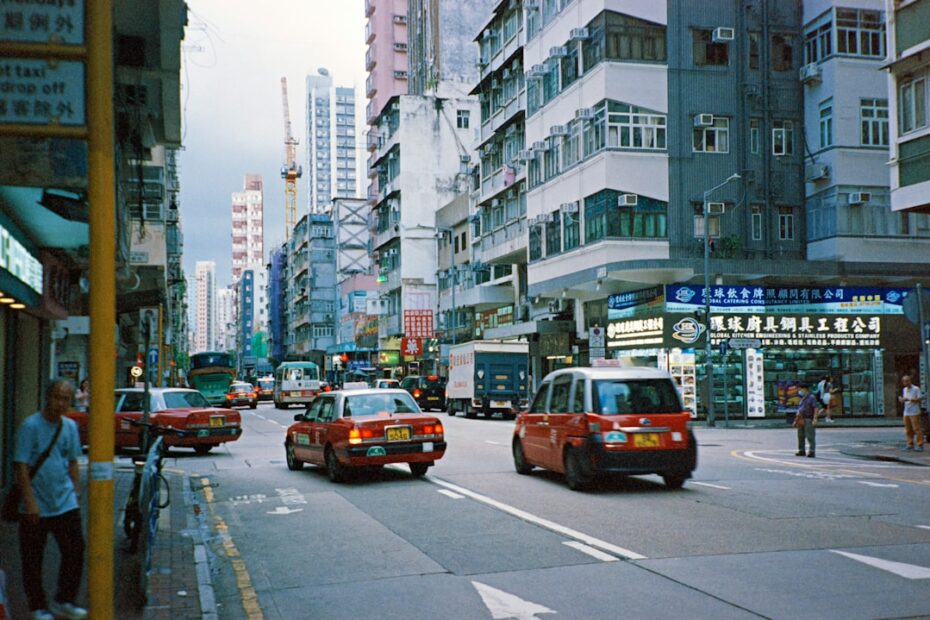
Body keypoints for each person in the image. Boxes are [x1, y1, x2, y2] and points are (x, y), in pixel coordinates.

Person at [13, 379, 87, 620]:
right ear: (48, 397)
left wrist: (75, 491)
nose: (61, 403)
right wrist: (30, 501)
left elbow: (73, 461)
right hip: (35, 505)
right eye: (57, 397)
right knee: (33, 559)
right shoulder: (30, 426)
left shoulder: (69, 427)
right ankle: (38, 606)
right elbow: (21, 466)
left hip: (65, 502)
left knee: (75, 551)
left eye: (66, 399)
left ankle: (64, 599)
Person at [899, 375, 924, 452]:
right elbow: (904, 399)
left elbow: (920, 398)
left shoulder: (916, 389)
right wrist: (902, 400)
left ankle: (920, 444)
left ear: (910, 381)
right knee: (908, 429)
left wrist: (912, 399)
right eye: (904, 381)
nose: (905, 383)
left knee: (916, 428)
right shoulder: (905, 389)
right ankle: (910, 444)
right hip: (906, 411)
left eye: (907, 381)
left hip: (914, 411)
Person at [795, 383, 819, 458]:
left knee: (810, 436)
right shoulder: (802, 398)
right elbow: (800, 409)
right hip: (801, 418)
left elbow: (815, 408)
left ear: (805, 389)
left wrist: (815, 418)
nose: (800, 391)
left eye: (801, 389)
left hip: (808, 418)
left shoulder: (811, 397)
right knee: (800, 435)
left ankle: (812, 451)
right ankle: (801, 450)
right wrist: (796, 419)